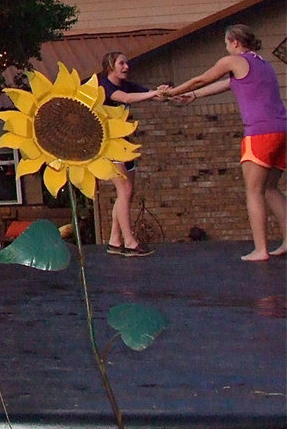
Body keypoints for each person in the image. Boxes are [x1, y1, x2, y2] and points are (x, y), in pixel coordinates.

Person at [162, 25, 287, 261]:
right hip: (281, 129)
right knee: (270, 188)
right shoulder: (262, 63)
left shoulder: (233, 61)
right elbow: (229, 84)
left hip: (259, 132)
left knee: (253, 191)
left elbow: (201, 78)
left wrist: (172, 92)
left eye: (226, 43)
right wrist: (195, 96)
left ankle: (261, 249)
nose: (226, 47)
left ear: (235, 42)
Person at [97, 52, 165, 257]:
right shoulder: (103, 86)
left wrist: (165, 93)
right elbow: (125, 99)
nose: (126, 67)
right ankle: (130, 242)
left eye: (127, 63)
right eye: (122, 63)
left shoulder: (127, 84)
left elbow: (147, 93)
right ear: (110, 66)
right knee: (124, 189)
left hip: (125, 143)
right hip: (109, 144)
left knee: (128, 192)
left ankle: (115, 240)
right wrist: (152, 94)